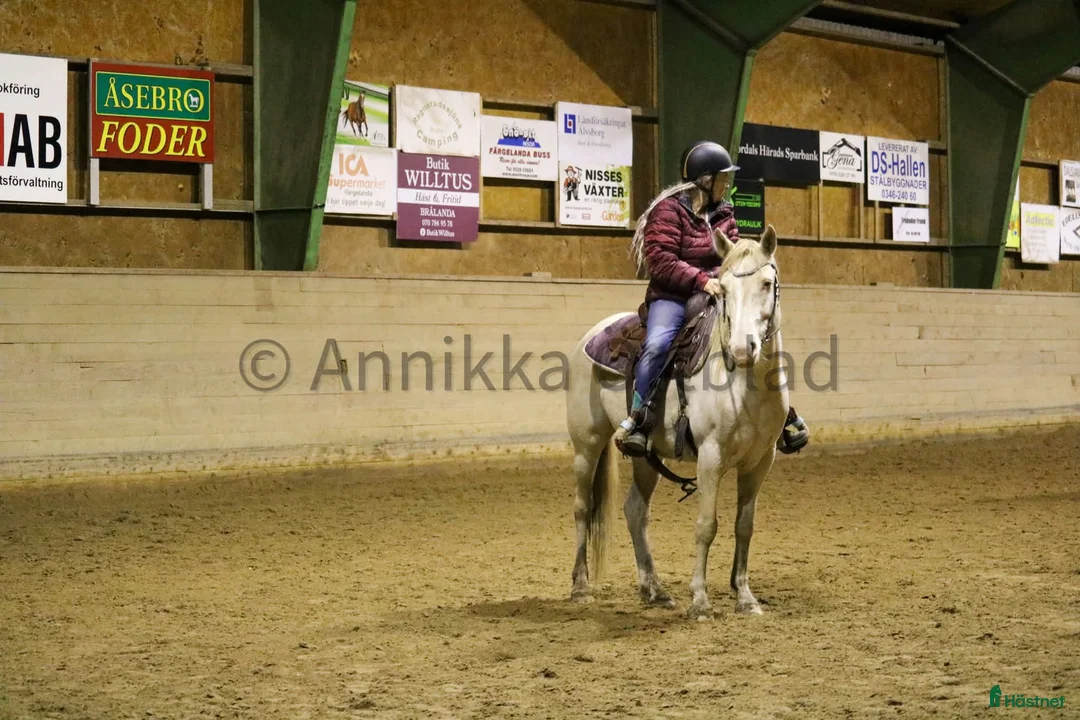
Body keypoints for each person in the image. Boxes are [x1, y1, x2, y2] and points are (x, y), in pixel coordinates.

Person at [616, 141, 810, 457]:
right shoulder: (668, 211)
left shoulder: (724, 213)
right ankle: (639, 417)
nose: (727, 184)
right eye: (722, 178)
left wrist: (730, 279)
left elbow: (731, 255)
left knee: (749, 338)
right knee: (656, 345)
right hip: (672, 296)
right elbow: (660, 259)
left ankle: (779, 415)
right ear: (705, 181)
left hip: (716, 291)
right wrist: (701, 280)